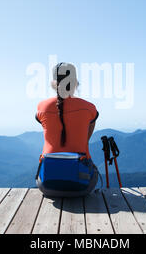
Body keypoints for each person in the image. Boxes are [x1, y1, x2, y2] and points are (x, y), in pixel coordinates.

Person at [35, 62, 99, 197]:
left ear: (54, 83)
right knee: (92, 168)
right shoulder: (89, 108)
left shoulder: (42, 107)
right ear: (75, 83)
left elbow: (43, 123)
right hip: (81, 187)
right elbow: (88, 133)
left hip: (47, 185)